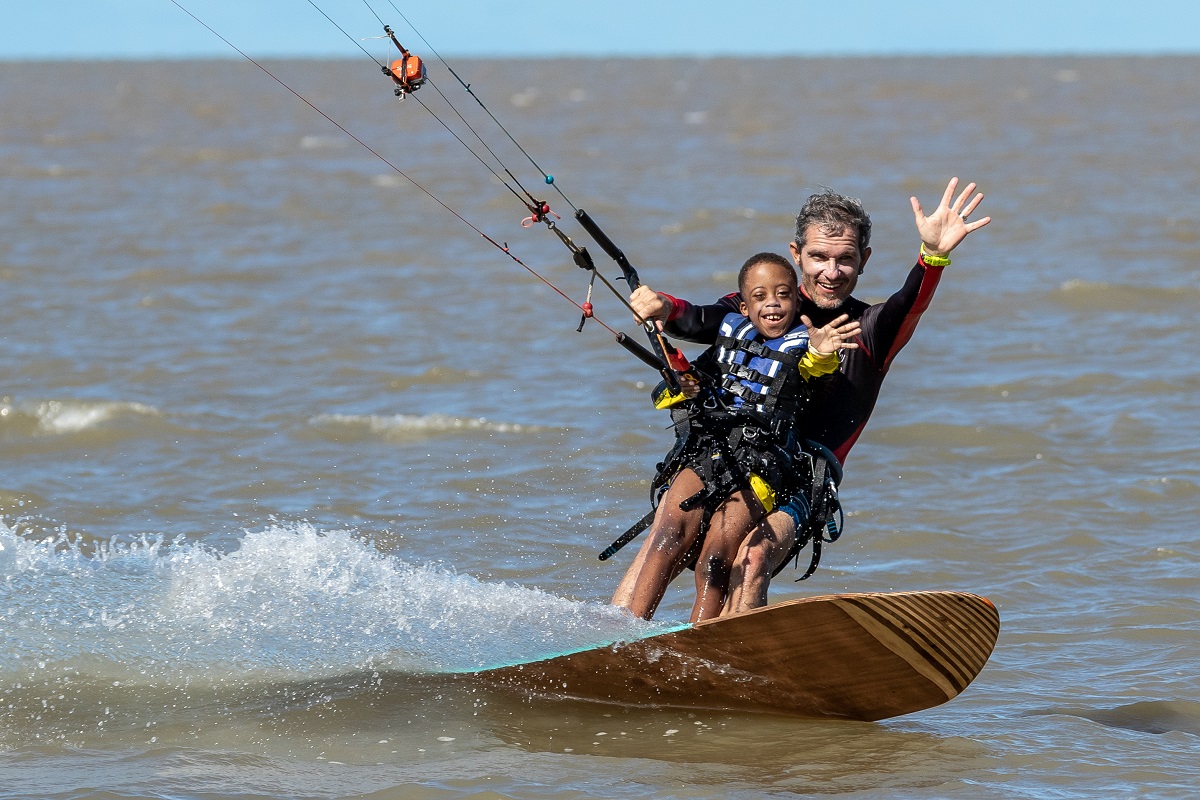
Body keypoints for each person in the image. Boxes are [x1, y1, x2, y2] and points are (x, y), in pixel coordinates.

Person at [612, 177, 991, 618]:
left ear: (864, 260)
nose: (831, 271)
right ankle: (610, 638)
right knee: (664, 538)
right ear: (797, 256)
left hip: (799, 477)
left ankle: (722, 657)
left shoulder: (869, 330)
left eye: (845, 259)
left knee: (749, 559)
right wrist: (664, 306)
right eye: (818, 257)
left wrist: (933, 257)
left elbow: (910, 304)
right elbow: (701, 319)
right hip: (727, 452)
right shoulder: (760, 303)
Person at [620, 251, 862, 621]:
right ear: (744, 307)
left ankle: (700, 639)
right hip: (706, 453)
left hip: (759, 469)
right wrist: (684, 385)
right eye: (761, 296)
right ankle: (628, 631)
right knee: (667, 535)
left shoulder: (805, 345)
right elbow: (671, 393)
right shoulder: (728, 332)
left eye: (783, 294)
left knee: (716, 558)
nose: (773, 304)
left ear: (797, 300)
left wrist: (824, 351)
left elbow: (817, 368)